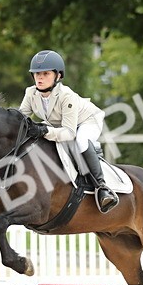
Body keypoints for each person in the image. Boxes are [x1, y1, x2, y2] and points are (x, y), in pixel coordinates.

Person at [18, 49, 118, 213]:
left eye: (45, 74)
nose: (40, 78)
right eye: (37, 74)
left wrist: (44, 130)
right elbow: (21, 118)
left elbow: (69, 133)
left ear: (58, 76)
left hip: (87, 121)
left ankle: (102, 187)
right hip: (61, 125)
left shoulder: (66, 95)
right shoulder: (31, 93)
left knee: (80, 141)